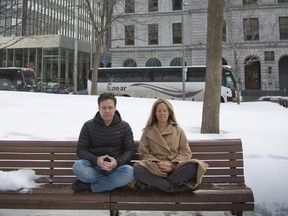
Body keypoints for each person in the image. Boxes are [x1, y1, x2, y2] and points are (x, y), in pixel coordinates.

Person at [134, 99, 208, 193]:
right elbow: (143, 153)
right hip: (155, 168)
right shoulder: (147, 131)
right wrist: (157, 163)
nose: (162, 113)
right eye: (159, 111)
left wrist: (173, 164)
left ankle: (157, 185)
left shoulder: (178, 130)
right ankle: (172, 188)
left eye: (165, 111)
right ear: (155, 113)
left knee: (195, 166)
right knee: (138, 169)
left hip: (175, 168)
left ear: (169, 112)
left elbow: (185, 152)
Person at [72, 92, 135, 192]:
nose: (107, 111)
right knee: (78, 166)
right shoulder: (88, 126)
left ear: (115, 108)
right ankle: (112, 184)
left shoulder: (124, 126)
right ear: (99, 108)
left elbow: (130, 150)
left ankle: (90, 187)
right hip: (94, 167)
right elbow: (81, 150)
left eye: (110, 107)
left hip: (115, 169)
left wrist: (116, 162)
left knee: (130, 172)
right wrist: (96, 160)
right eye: (104, 108)